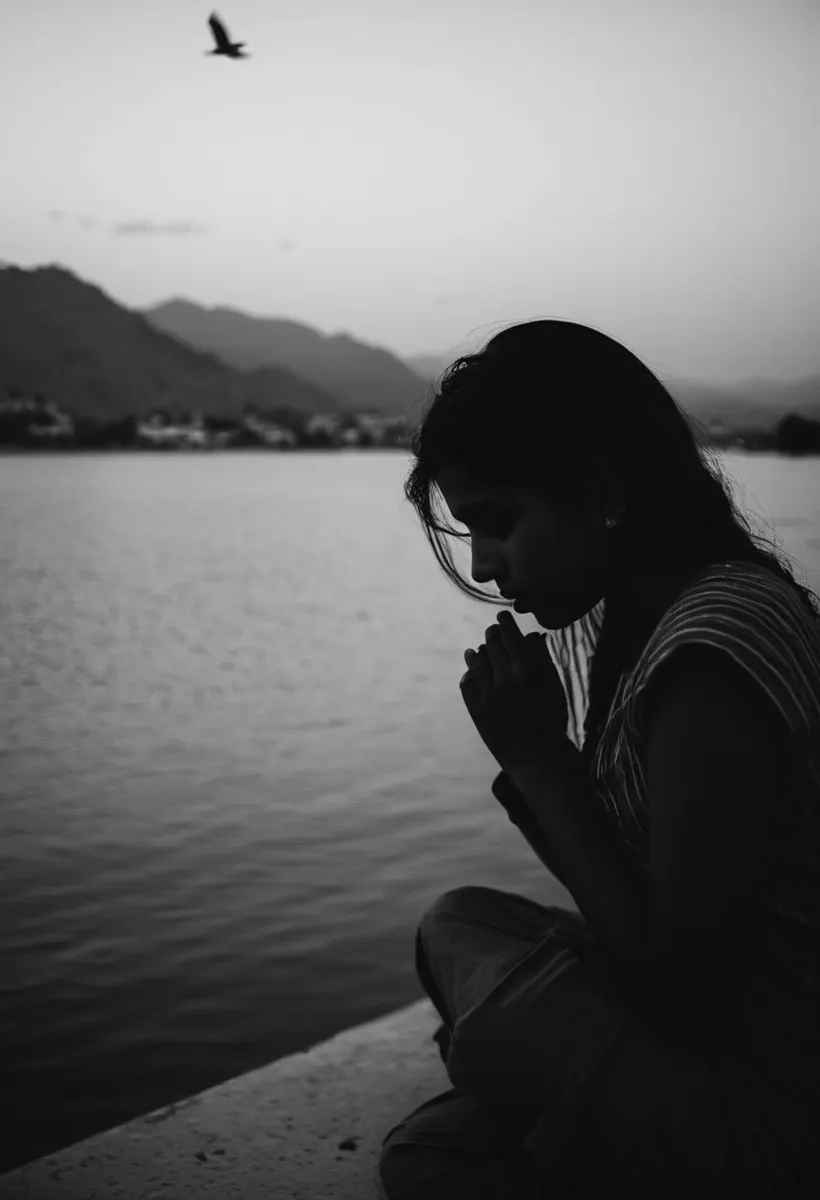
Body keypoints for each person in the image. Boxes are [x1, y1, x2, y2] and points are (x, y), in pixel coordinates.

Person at [377, 320, 820, 1199]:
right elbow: (628, 898)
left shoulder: (708, 654)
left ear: (602, 490)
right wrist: (539, 770)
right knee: (455, 923)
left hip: (773, 1098)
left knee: (441, 1134)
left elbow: (684, 993)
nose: (486, 565)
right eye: (470, 533)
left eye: (499, 523)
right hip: (706, 1037)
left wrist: (541, 765)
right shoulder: (651, 625)